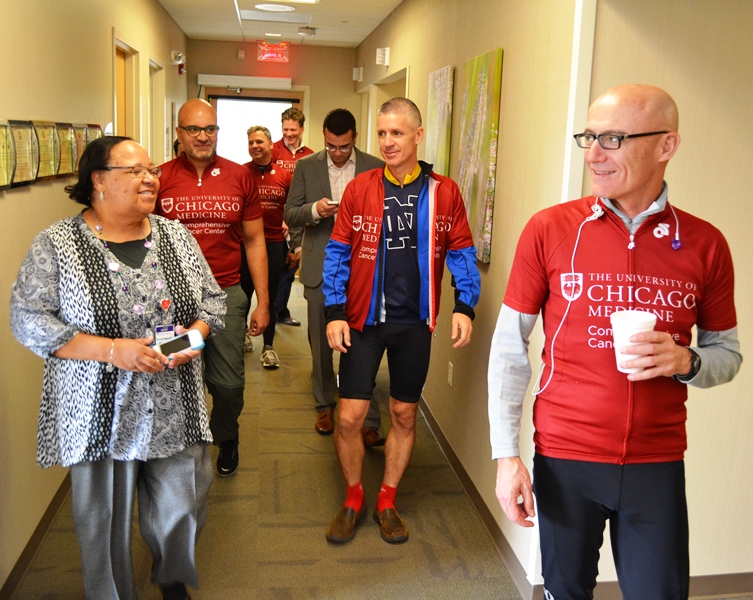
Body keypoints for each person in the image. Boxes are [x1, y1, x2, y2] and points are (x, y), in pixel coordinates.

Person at [488, 84, 741, 599]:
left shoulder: (705, 244)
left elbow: (727, 356)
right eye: (590, 137)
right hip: (565, 457)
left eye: (614, 138)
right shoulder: (550, 229)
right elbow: (509, 349)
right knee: (565, 592)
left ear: (666, 145)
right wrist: (505, 455)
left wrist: (684, 360)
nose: (595, 154)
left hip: (657, 463)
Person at [10, 137, 225, 600]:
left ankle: (171, 577)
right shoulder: (58, 245)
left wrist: (190, 339)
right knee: (103, 522)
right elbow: (27, 318)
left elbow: (212, 301)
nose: (151, 178)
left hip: (175, 402)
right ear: (99, 181)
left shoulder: (175, 235)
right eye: (134, 171)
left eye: (152, 169)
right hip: (98, 412)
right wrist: (112, 351)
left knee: (183, 504)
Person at [322, 98, 481, 544]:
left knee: (403, 414)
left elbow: (462, 251)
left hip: (415, 323)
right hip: (362, 321)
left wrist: (464, 306)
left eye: (396, 133)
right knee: (350, 417)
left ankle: (386, 499)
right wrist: (334, 312)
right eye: (382, 134)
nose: (388, 142)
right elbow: (338, 252)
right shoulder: (360, 188)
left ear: (417, 135)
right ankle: (354, 496)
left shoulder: (444, 191)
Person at [156, 98, 269, 478]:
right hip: (171, 302)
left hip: (226, 296)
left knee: (228, 382)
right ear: (179, 133)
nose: (203, 137)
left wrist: (263, 302)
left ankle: (227, 435)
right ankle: (179, 448)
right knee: (172, 372)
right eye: (194, 129)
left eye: (210, 129)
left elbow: (255, 242)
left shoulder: (240, 177)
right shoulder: (159, 177)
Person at [284, 108, 386, 444]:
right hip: (319, 267)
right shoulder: (306, 166)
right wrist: (316, 211)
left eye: (343, 147)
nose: (337, 154)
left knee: (362, 344)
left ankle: (368, 417)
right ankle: (324, 404)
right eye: (331, 147)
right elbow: (291, 213)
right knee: (320, 342)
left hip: (364, 269)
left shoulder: (375, 166)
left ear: (354, 138)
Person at [240, 125, 292, 368]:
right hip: (245, 244)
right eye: (251, 142)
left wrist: (289, 227)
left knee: (267, 297)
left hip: (273, 244)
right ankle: (243, 336)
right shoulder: (240, 174)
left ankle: (268, 347)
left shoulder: (284, 175)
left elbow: (292, 208)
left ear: (271, 145)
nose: (255, 146)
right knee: (243, 294)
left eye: (259, 142)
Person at [273, 107, 312, 327]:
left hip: (299, 218)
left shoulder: (311, 155)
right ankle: (269, 311)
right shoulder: (273, 150)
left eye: (293, 130)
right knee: (276, 267)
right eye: (285, 129)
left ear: (302, 129)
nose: (289, 134)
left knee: (291, 267)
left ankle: (281, 311)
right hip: (277, 217)